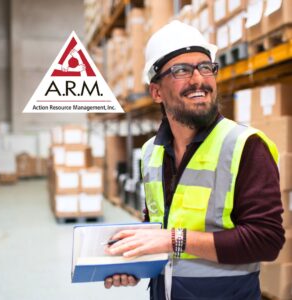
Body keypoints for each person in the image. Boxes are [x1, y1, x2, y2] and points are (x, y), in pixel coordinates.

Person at [103, 20, 285, 300]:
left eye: (205, 67)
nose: (198, 79)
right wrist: (135, 264)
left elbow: (266, 241)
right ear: (156, 92)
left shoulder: (245, 145)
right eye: (181, 70)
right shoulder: (151, 152)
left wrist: (175, 240)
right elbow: (158, 226)